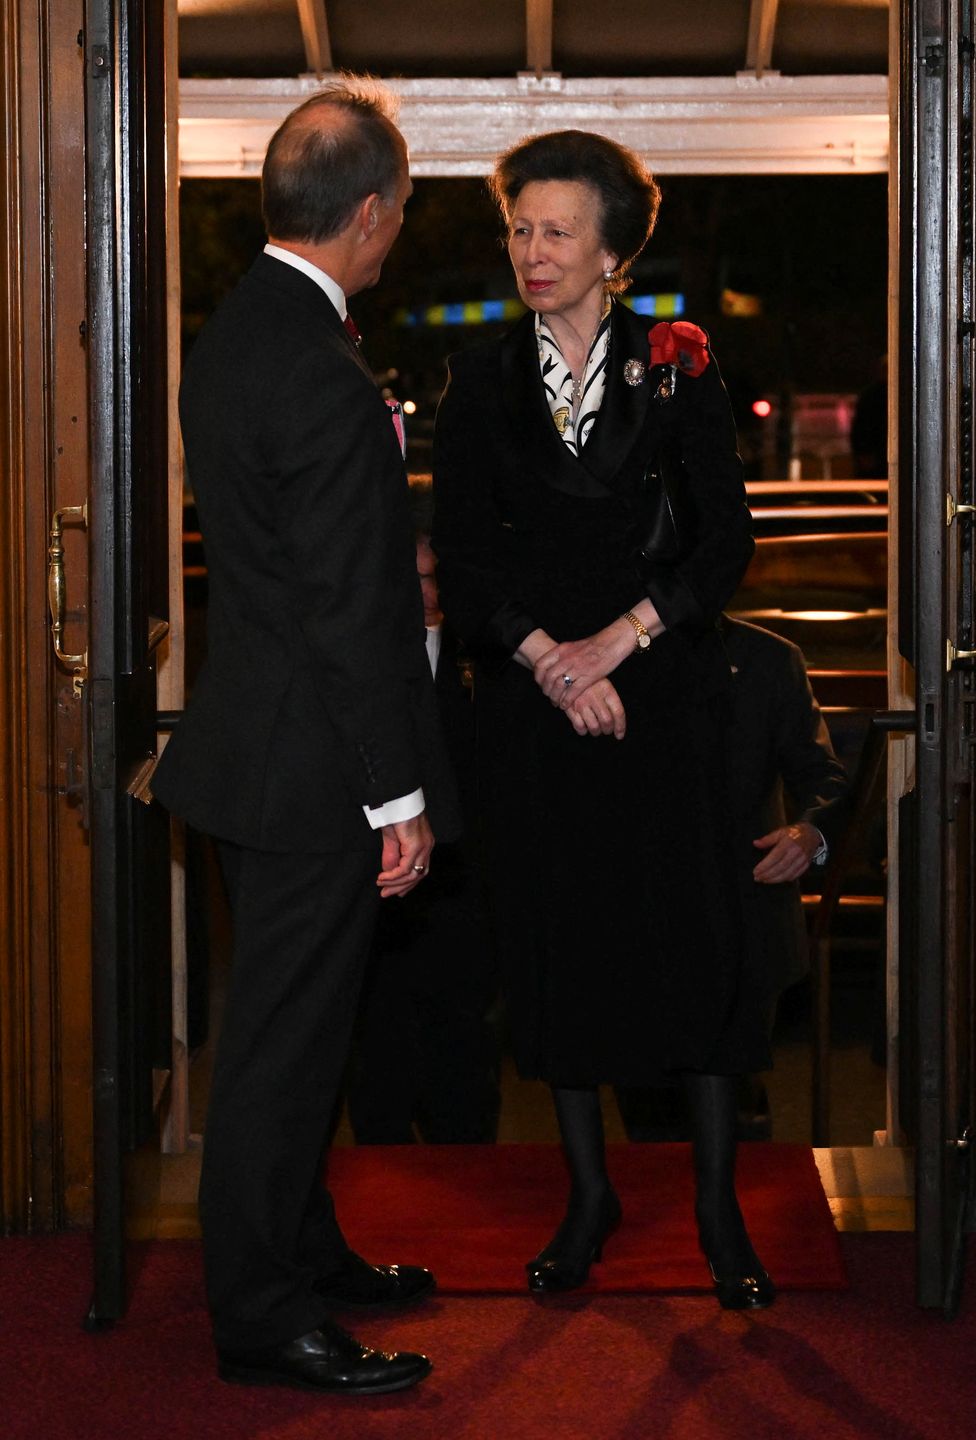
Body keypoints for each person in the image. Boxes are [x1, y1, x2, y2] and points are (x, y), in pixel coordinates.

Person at [151, 77, 459, 1396]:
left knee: (298, 1033)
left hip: (251, 753)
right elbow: (349, 616)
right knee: (281, 1052)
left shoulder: (233, 336)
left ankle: (299, 1241)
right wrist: (397, 798)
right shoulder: (325, 376)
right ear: (375, 214)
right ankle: (263, 1315)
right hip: (313, 774)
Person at [432, 130, 767, 1308]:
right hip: (538, 708)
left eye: (558, 230)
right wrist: (553, 666)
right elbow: (464, 564)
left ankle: (721, 1209)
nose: (532, 250)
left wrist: (619, 641)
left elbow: (727, 541)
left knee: (698, 949)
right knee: (558, 953)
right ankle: (589, 1198)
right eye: (520, 227)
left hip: (664, 695)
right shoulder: (478, 378)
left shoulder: (679, 364)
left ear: (615, 253)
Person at [616, 615, 850, 1142]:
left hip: (743, 907)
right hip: (636, 910)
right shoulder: (604, 653)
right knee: (648, 1114)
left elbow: (824, 778)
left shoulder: (769, 657)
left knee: (732, 1104)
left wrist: (808, 834)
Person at [346, 498, 501, 1145]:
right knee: (377, 1040)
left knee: (461, 1046)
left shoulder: (484, 662)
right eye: (411, 580)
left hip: (463, 883)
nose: (424, 592)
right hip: (383, 884)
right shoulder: (367, 663)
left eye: (432, 578)